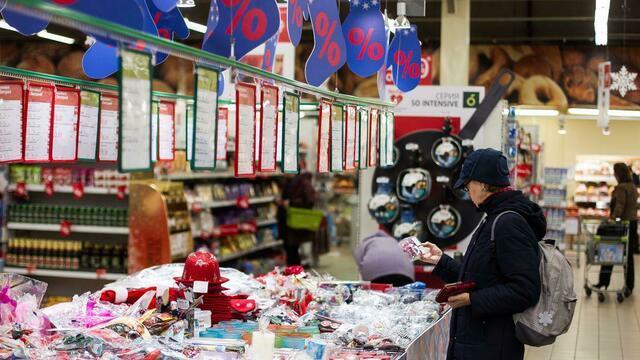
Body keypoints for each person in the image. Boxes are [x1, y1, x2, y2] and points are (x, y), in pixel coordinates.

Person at [419, 148, 543, 360]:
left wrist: (472, 300)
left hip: (492, 347)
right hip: (478, 343)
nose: (467, 191)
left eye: (468, 185)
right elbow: (479, 278)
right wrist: (441, 261)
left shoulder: (508, 223)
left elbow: (525, 290)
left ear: (483, 184)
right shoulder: (493, 218)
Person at [595, 162, 637, 292]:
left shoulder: (621, 188)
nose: (614, 174)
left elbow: (619, 206)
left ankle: (603, 282)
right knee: (628, 257)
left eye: (615, 172)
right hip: (632, 224)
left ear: (619, 174)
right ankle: (629, 286)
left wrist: (612, 219)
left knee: (610, 251)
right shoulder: (633, 187)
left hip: (620, 226)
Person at [279, 160, 316, 266]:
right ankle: (292, 274)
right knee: (290, 249)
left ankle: (295, 275)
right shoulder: (288, 181)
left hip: (295, 221)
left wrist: (291, 202)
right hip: (287, 220)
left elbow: (310, 200)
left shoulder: (303, 182)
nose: (284, 172)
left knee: (293, 250)